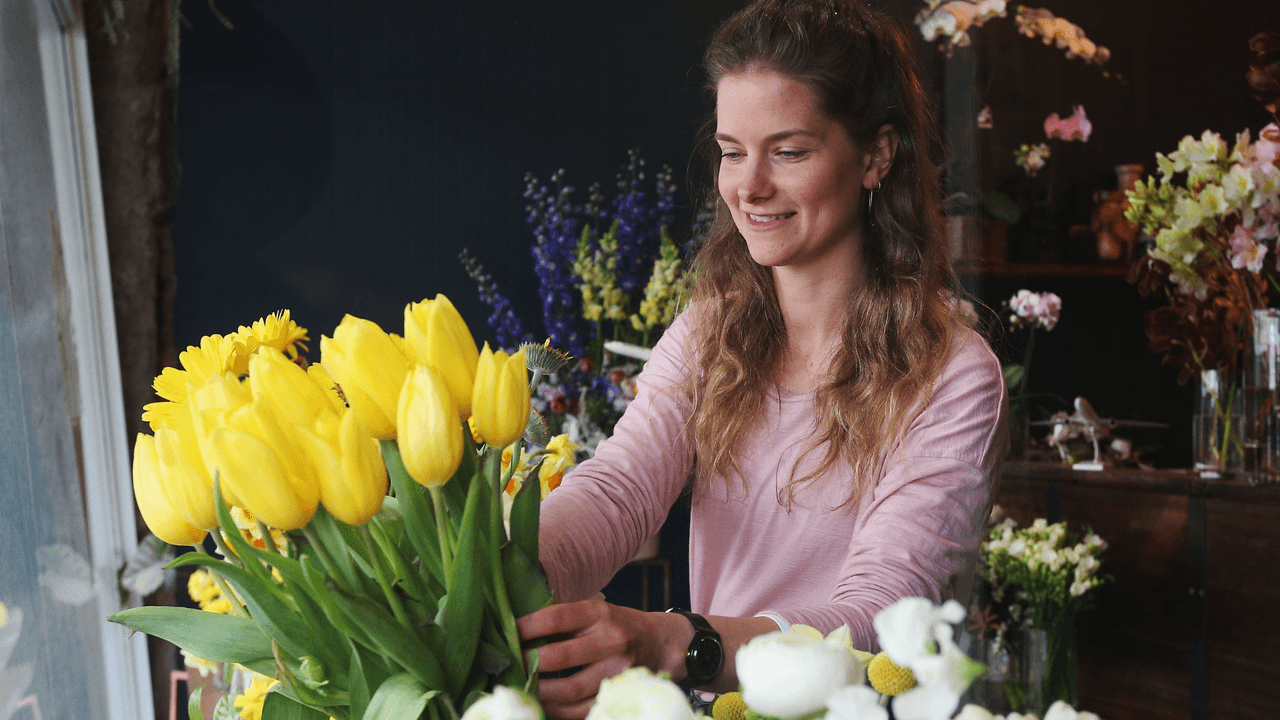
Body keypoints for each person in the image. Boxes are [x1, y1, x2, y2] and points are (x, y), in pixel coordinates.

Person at [516, 0, 1006, 716]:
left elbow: (877, 618)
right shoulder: (710, 334)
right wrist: (503, 567)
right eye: (732, 151)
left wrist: (676, 644)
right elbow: (620, 490)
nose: (748, 186)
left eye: (790, 151)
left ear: (876, 155)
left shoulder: (952, 372)